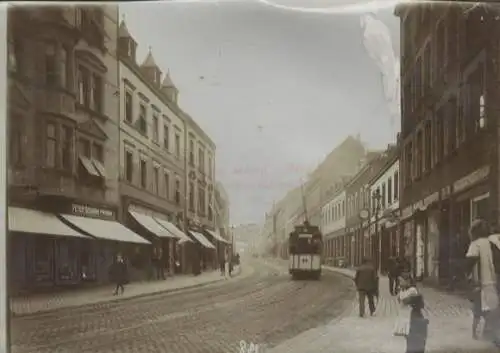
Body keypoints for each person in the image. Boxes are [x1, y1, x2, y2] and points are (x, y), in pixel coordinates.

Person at [464, 219, 500, 344]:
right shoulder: (493, 243)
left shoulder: (475, 244)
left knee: (479, 310)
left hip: (481, 284)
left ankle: (482, 334)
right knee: (493, 309)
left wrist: (468, 277)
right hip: (494, 282)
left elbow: (469, 264)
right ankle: (491, 333)